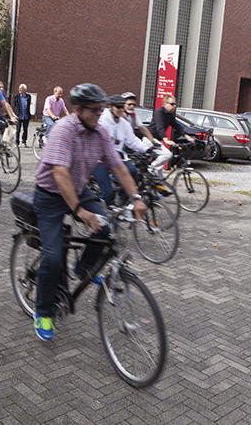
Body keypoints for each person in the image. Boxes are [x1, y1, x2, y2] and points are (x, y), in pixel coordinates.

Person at [31, 83, 148, 342]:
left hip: (79, 189)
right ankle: (43, 312)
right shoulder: (64, 130)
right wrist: (79, 210)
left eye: (101, 108)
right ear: (79, 109)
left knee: (105, 229)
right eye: (94, 109)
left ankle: (83, 269)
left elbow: (118, 167)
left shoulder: (100, 133)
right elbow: (60, 174)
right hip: (50, 195)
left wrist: (136, 197)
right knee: (52, 258)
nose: (99, 113)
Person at [92, 95, 153, 206]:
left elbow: (132, 140)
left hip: (115, 159)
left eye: (122, 107)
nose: (121, 110)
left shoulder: (123, 123)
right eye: (118, 107)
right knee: (107, 192)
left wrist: (148, 149)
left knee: (133, 171)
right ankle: (103, 216)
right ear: (110, 107)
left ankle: (121, 200)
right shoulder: (102, 121)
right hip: (99, 160)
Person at [148, 95, 196, 179]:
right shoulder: (159, 112)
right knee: (167, 154)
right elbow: (160, 127)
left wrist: (187, 136)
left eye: (175, 104)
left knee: (160, 175)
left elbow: (177, 126)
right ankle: (150, 169)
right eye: (172, 104)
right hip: (150, 139)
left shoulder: (170, 115)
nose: (174, 106)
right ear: (165, 104)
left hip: (157, 140)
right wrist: (166, 140)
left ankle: (160, 186)